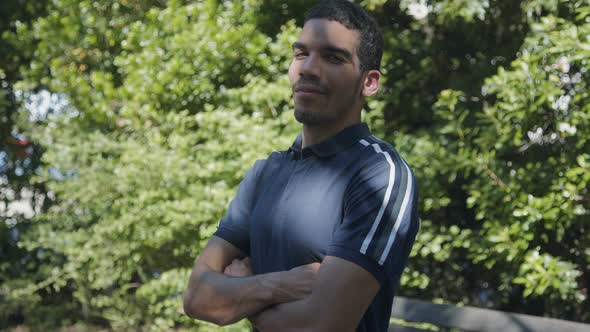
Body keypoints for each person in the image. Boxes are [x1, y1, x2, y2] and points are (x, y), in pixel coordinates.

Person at [183, 1, 419, 331]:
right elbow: (196, 297)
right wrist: (282, 284)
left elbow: (322, 325)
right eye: (300, 54)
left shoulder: (380, 174)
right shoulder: (265, 173)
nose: (308, 68)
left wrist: (239, 297)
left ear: (369, 83)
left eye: (333, 57)